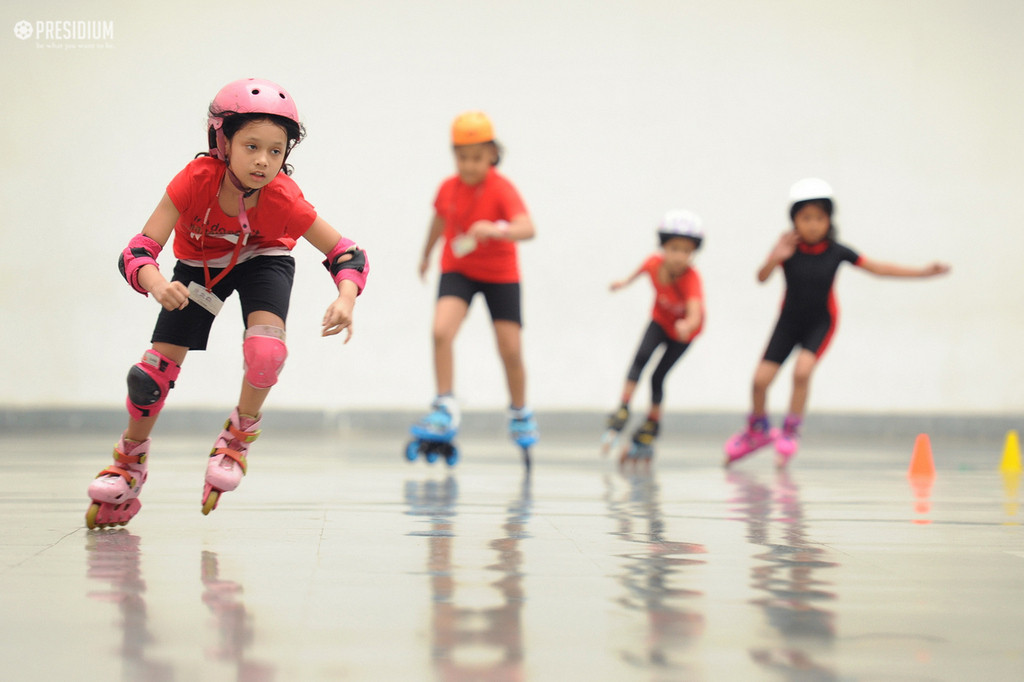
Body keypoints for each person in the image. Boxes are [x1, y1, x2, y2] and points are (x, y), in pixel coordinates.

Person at [86, 78, 369, 528]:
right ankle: (128, 462)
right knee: (150, 376)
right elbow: (137, 250)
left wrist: (347, 296)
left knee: (266, 352)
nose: (262, 160)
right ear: (223, 141)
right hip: (200, 265)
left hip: (264, 258)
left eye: (276, 151)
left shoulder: (284, 200)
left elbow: (347, 253)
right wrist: (156, 282)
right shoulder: (195, 180)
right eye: (251, 145)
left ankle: (236, 441)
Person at [724, 178, 949, 468]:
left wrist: (921, 273)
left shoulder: (837, 251)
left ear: (829, 220)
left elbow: (878, 268)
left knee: (802, 372)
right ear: (794, 220)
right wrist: (775, 258)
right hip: (788, 323)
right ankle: (757, 430)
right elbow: (761, 278)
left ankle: (791, 430)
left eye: (820, 218)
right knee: (759, 382)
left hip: (820, 322)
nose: (813, 224)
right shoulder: (786, 248)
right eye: (806, 218)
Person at [410, 111, 537, 466]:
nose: (469, 165)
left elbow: (528, 228)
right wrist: (425, 254)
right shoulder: (448, 187)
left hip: (500, 273)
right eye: (463, 157)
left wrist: (499, 229)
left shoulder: (501, 188)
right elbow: (438, 218)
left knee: (510, 349)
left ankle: (520, 411)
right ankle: (445, 403)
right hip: (459, 270)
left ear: (491, 155)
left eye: (477, 158)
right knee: (440, 332)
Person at [604, 211, 705, 465]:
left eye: (686, 250)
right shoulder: (653, 263)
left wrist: (688, 324)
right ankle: (623, 407)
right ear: (663, 247)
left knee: (658, 376)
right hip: (660, 321)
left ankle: (652, 422)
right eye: (674, 248)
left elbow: (696, 309)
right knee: (640, 359)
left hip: (683, 333)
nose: (679, 256)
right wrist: (622, 283)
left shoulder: (691, 278)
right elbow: (637, 273)